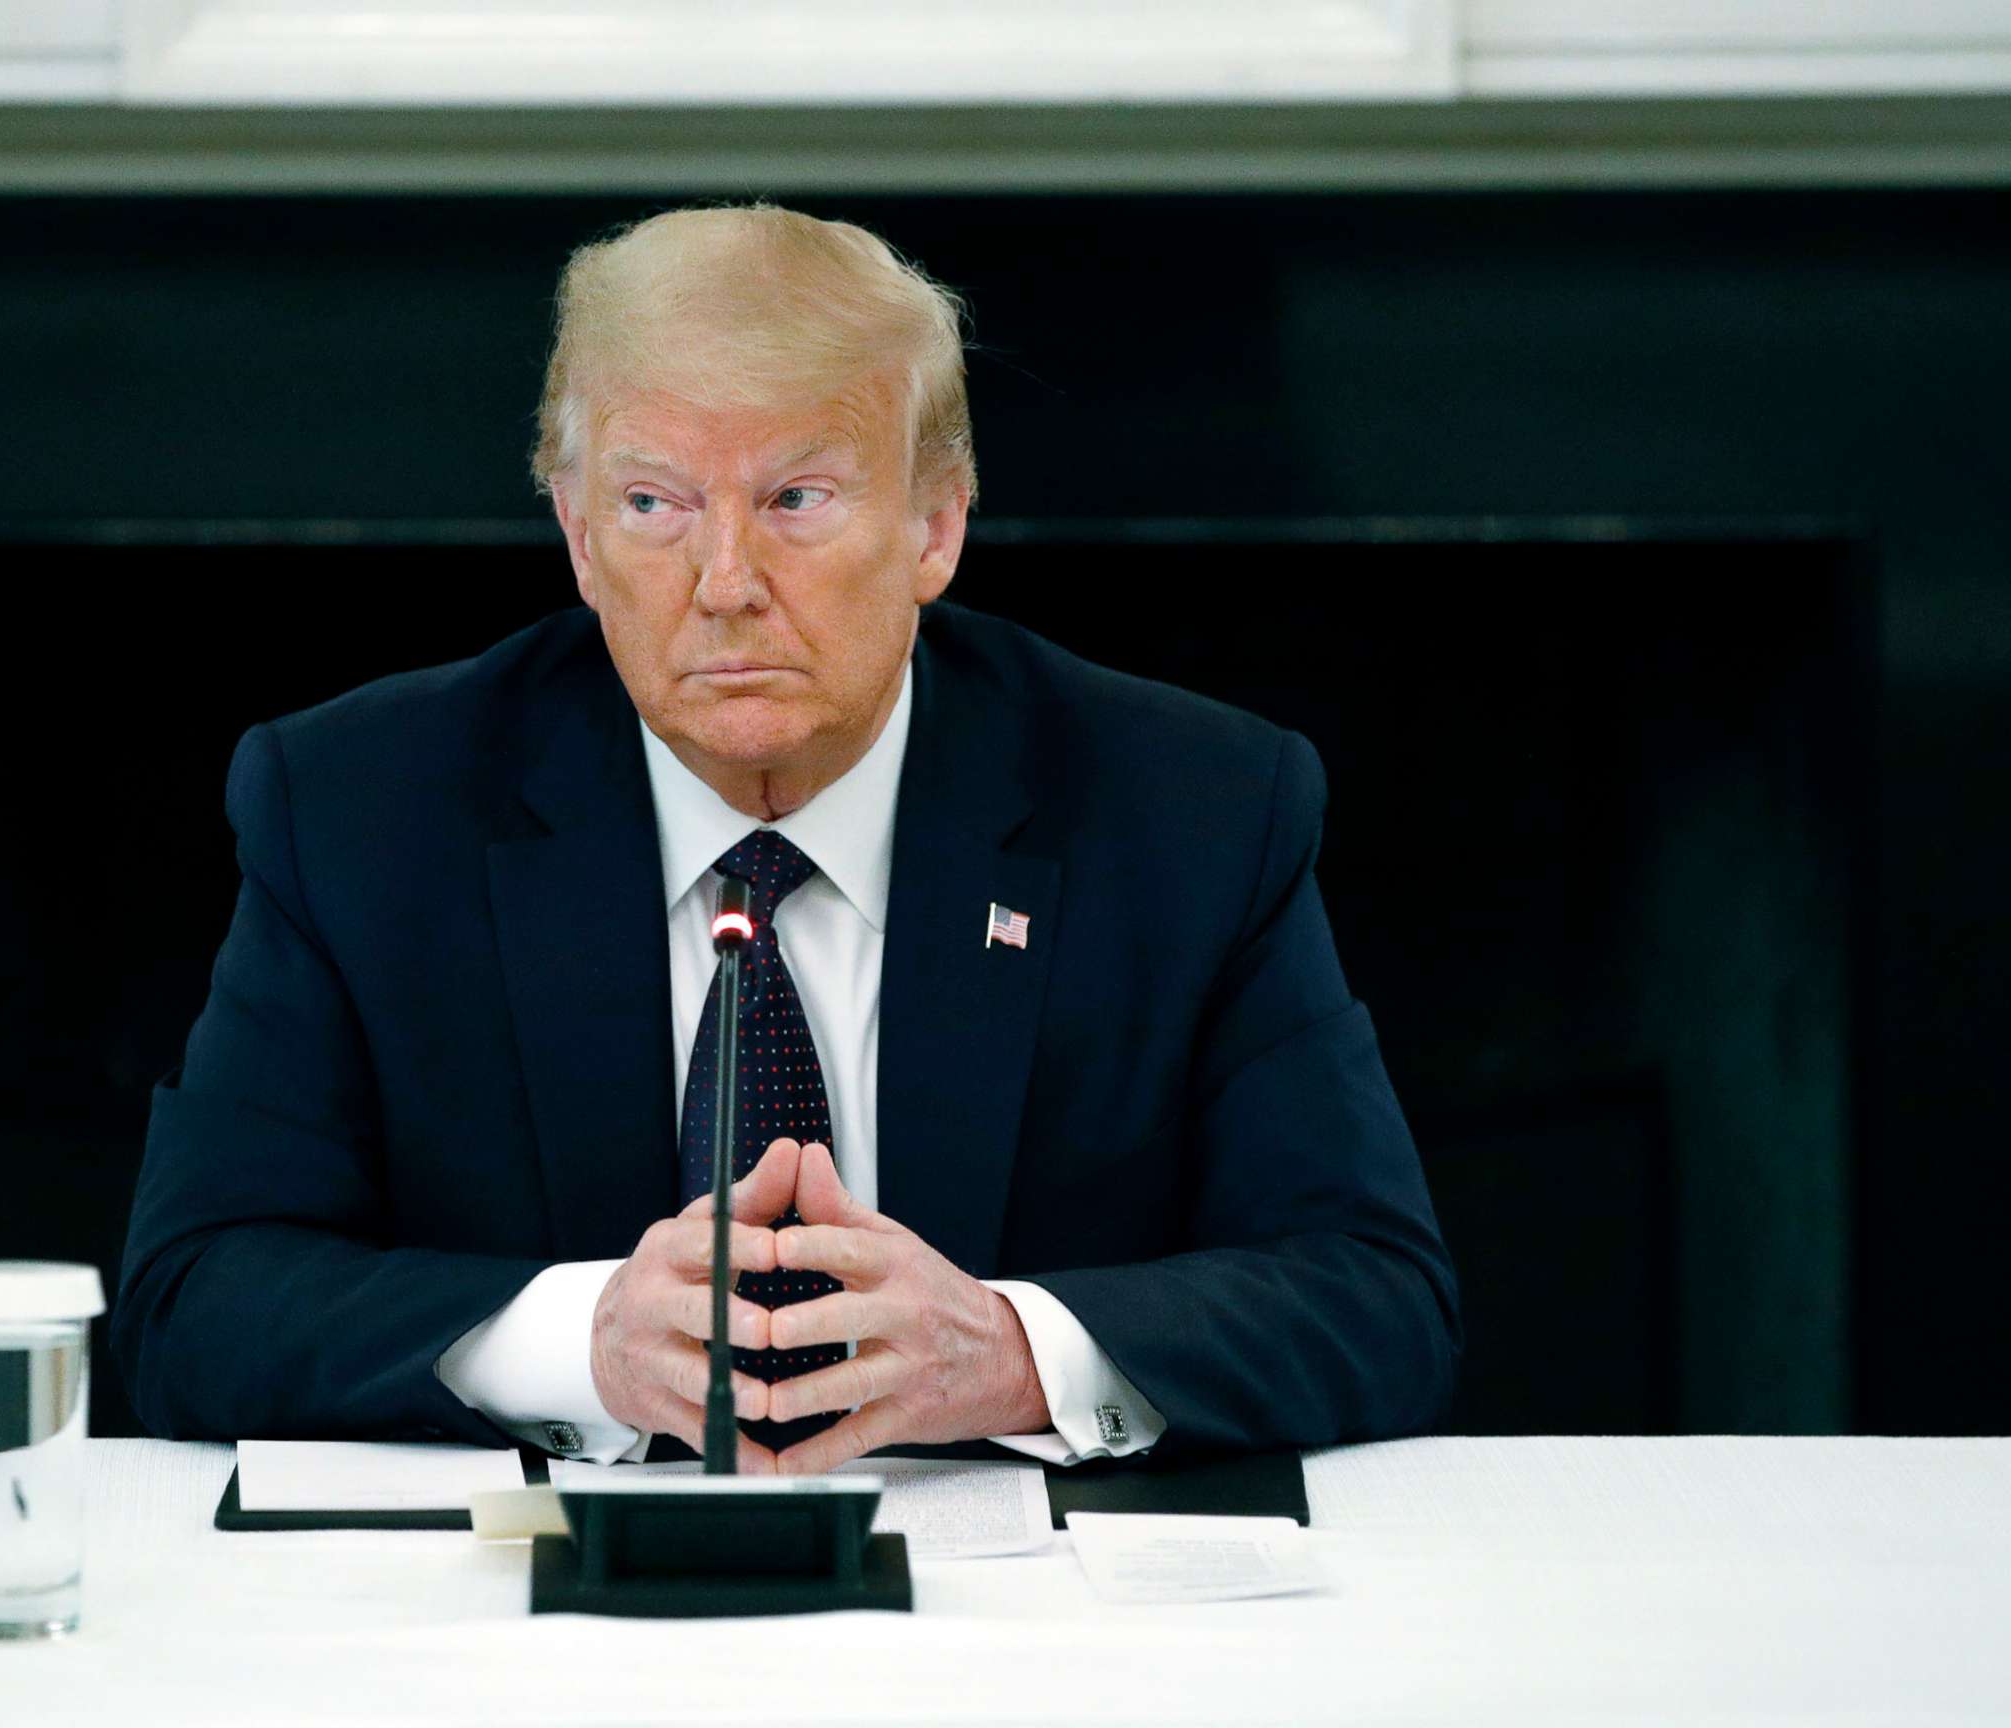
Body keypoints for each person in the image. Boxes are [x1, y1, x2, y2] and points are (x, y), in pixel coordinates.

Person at [114, 204, 1459, 1473]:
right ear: (579, 539)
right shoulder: (361, 806)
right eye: (654, 506)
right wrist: (574, 1345)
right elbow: (191, 1299)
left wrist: (1007, 1354)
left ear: (937, 525)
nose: (726, 584)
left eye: (798, 499)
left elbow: (1377, 1297)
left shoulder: (1189, 808)